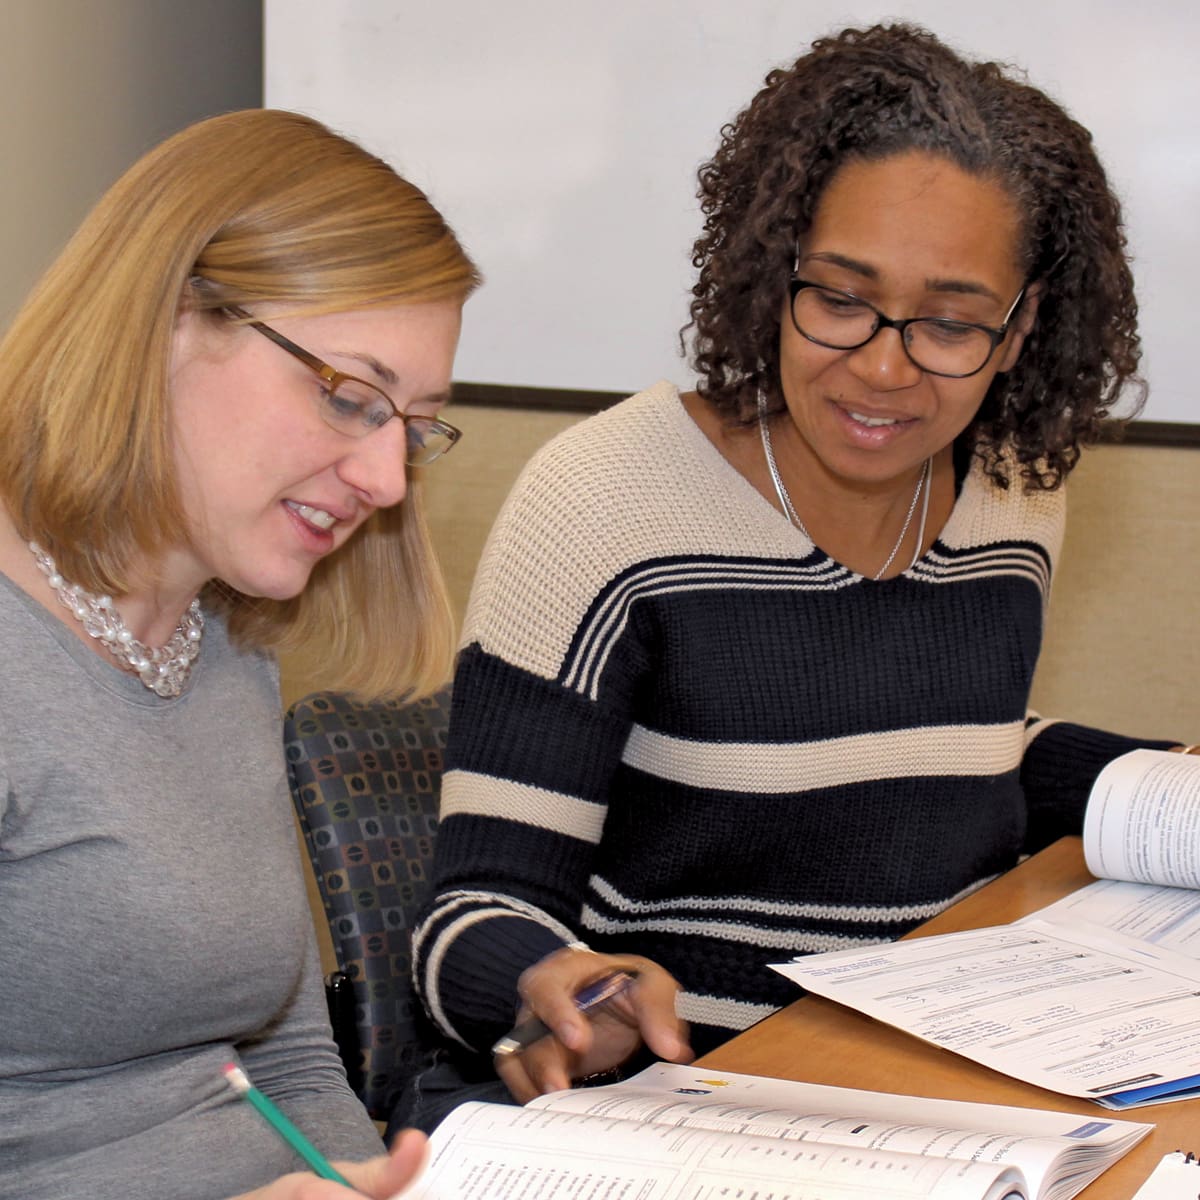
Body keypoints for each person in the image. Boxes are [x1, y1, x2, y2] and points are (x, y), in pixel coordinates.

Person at [410, 23, 1195, 1123]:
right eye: (839, 298)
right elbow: (475, 906)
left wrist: (1159, 779)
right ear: (772, 269)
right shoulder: (603, 500)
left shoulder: (1016, 490)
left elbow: (945, 752)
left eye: (953, 323)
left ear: (1020, 333)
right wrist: (563, 991)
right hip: (690, 1103)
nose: (884, 366)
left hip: (942, 1089)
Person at [0, 109, 479, 1199]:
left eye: (411, 424)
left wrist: (364, 1179)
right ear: (166, 322)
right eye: (351, 398)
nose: (389, 482)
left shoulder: (220, 648)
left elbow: (281, 1053)